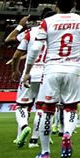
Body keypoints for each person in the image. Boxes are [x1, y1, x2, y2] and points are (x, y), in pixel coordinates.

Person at [21, 0, 80, 158]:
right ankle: (67, 133)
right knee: (70, 107)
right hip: (73, 70)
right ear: (74, 5)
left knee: (47, 109)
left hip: (52, 69)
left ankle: (45, 151)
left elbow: (35, 49)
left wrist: (27, 71)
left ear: (56, 4)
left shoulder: (47, 22)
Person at [8, 9, 56, 148]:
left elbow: (12, 45)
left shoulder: (31, 32)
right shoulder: (58, 33)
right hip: (47, 74)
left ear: (42, 19)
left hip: (30, 72)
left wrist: (15, 70)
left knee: (22, 105)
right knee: (41, 108)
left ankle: (23, 127)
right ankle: (34, 140)